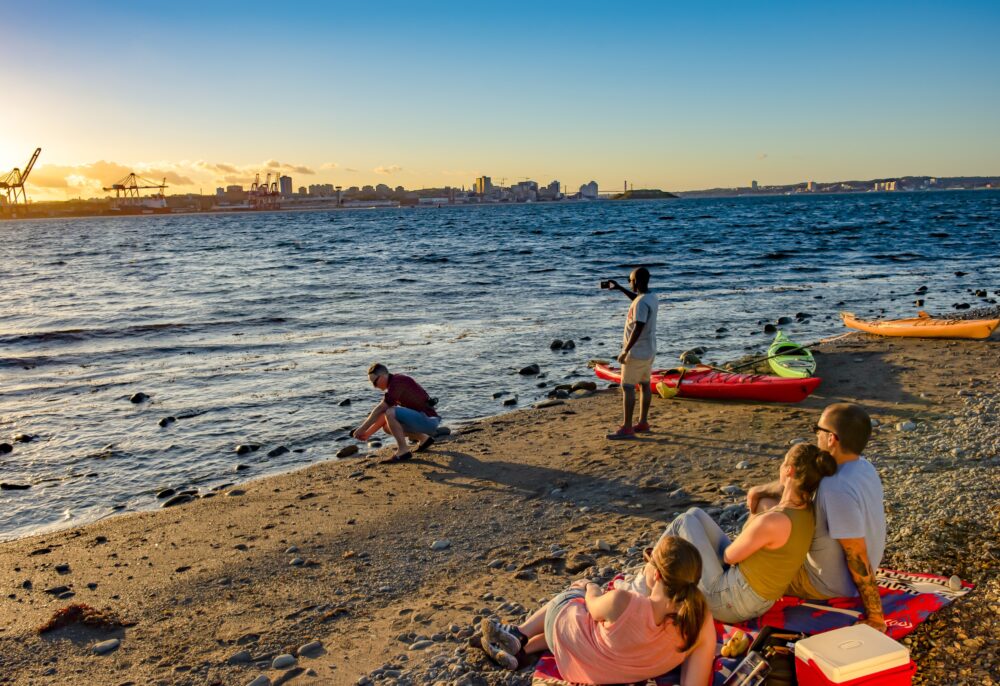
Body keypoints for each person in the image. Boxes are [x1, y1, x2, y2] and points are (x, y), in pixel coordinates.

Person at [478, 536, 716, 685]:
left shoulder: (626, 602)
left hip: (581, 657)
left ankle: (519, 633)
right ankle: (523, 649)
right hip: (617, 666)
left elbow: (592, 607)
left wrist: (590, 586)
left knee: (574, 597)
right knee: (606, 627)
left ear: (655, 574)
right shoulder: (699, 620)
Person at [747, 402, 887, 631]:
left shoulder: (836, 488)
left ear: (832, 438)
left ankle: (735, 579)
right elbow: (797, 488)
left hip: (826, 584)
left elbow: (856, 554)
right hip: (840, 575)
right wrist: (760, 490)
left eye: (817, 430)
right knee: (767, 502)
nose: (816, 437)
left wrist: (875, 617)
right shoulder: (862, 467)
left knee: (764, 518)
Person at [661, 443, 837, 624]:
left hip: (730, 602)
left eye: (783, 462)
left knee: (684, 521)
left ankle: (645, 583)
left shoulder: (773, 520)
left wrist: (756, 514)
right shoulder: (807, 510)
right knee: (695, 513)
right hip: (759, 599)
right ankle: (654, 572)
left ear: (789, 471)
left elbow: (729, 557)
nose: (780, 466)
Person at [603, 267, 658, 440]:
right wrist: (619, 288)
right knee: (644, 384)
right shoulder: (650, 297)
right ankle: (643, 422)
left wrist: (625, 350)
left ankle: (627, 428)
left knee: (627, 387)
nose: (629, 282)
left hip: (636, 351)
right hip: (649, 350)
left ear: (637, 281)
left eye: (630, 280)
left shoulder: (642, 302)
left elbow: (638, 326)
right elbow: (637, 300)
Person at [351, 362, 440, 464]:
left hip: (429, 420)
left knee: (390, 412)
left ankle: (403, 451)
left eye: (375, 382)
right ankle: (424, 439)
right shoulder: (394, 384)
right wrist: (367, 434)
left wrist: (362, 428)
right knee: (387, 426)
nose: (374, 386)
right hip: (424, 420)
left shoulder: (397, 382)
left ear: (384, 375)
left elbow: (381, 408)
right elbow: (383, 415)